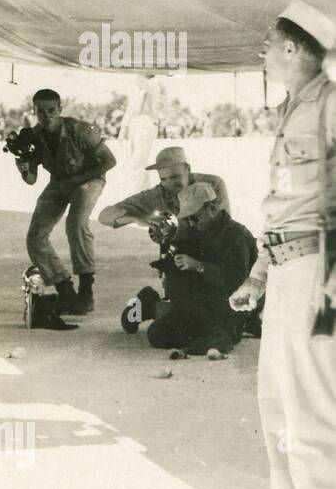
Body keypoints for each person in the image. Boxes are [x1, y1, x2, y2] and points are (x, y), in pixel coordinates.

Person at [230, 0, 336, 489]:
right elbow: (283, 210)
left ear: (294, 49)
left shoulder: (330, 105)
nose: (263, 53)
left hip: (318, 271)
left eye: (269, 44)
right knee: (275, 399)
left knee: (312, 400)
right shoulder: (293, 107)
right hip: (287, 268)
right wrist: (256, 276)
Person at [16, 89, 117, 314]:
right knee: (35, 236)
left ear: (60, 110)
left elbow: (110, 161)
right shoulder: (34, 136)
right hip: (60, 181)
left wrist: (75, 179)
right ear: (34, 111)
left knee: (76, 224)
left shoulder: (80, 130)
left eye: (51, 110)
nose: (46, 116)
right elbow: (31, 180)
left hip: (89, 179)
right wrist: (23, 167)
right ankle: (65, 290)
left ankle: (86, 290)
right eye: (40, 111)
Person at [146, 183, 254, 357]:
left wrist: (200, 266)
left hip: (231, 303)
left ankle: (157, 308)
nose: (191, 224)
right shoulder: (199, 230)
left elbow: (236, 281)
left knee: (220, 338)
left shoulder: (236, 235)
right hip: (203, 302)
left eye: (195, 218)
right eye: (187, 220)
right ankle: (151, 304)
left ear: (212, 209)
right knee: (157, 335)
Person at [98, 145, 230, 227]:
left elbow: (227, 225)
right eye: (163, 179)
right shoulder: (155, 195)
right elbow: (104, 216)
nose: (170, 184)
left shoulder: (213, 183)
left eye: (175, 177)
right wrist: (135, 218)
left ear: (188, 169)